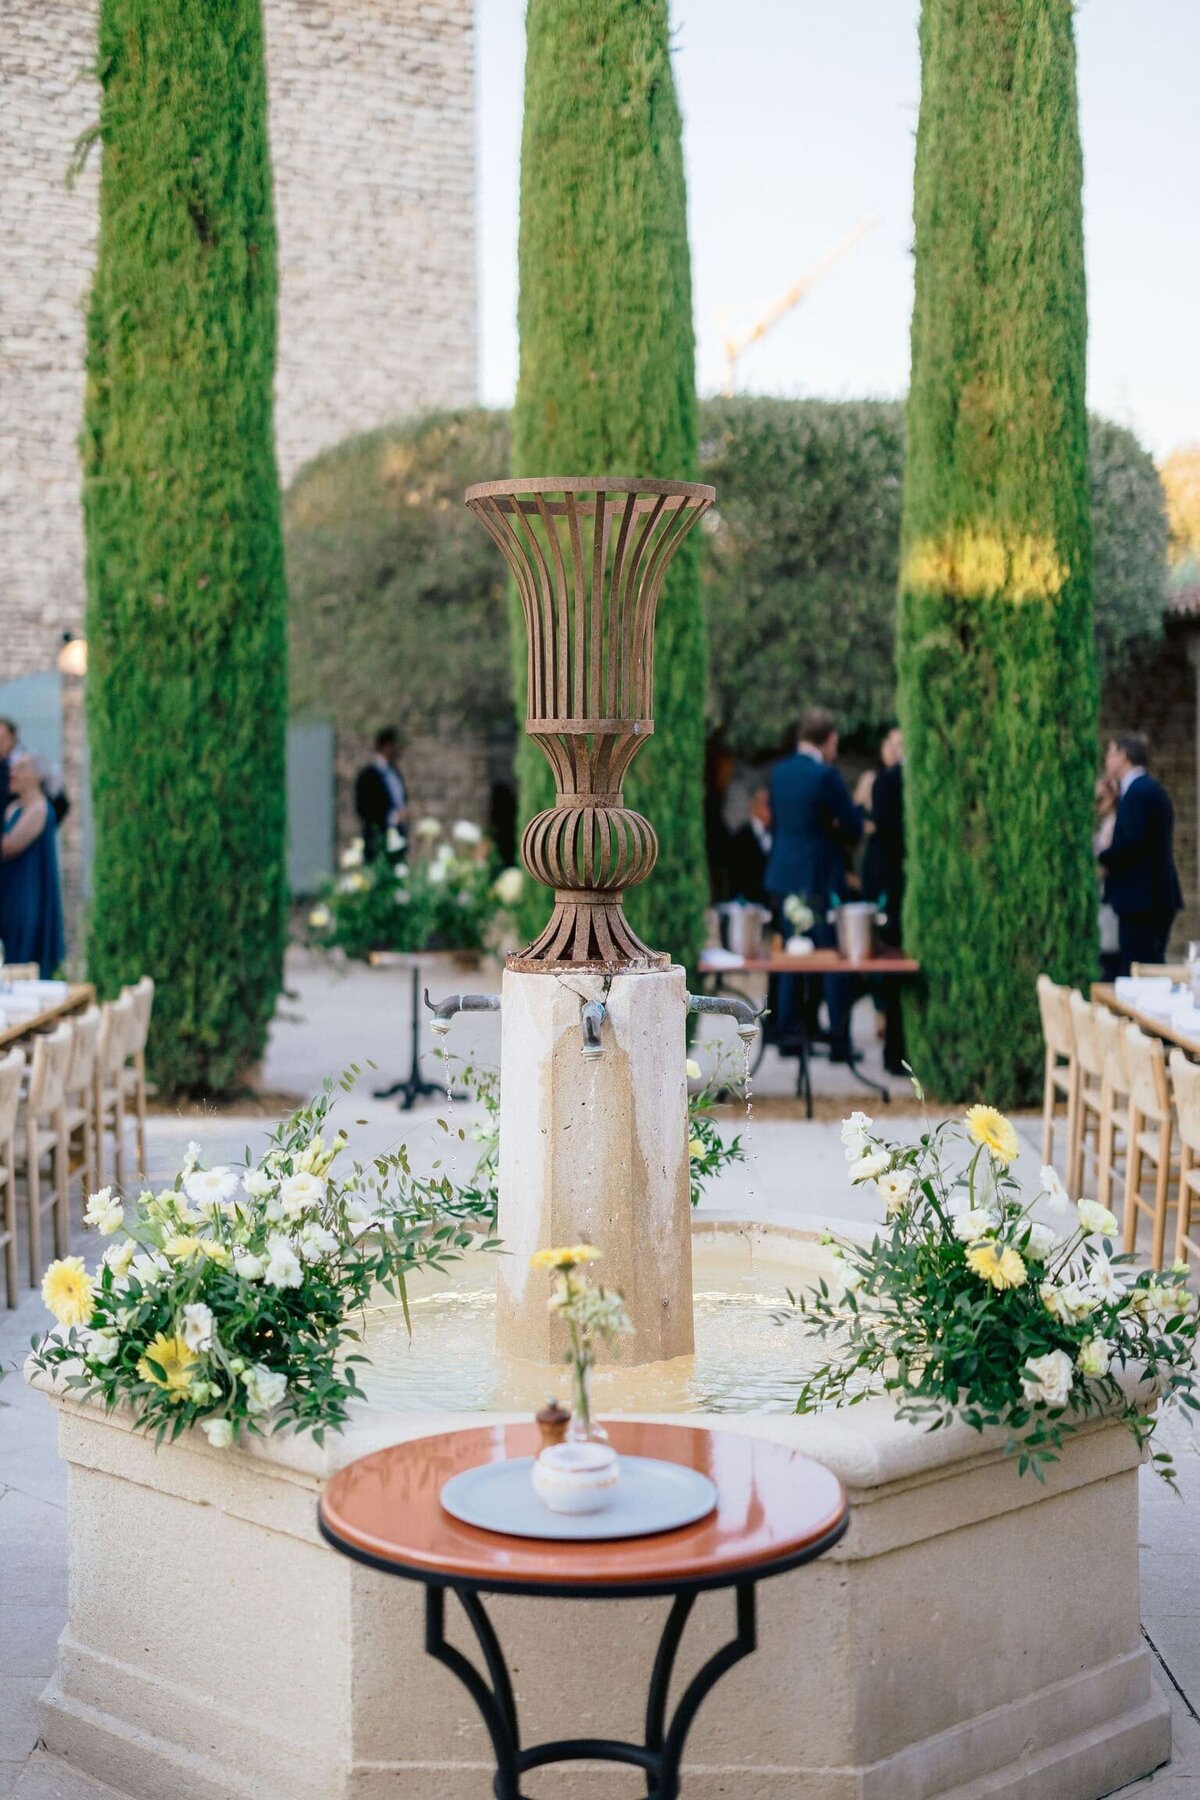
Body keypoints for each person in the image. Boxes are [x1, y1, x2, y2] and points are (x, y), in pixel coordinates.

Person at [765, 707, 863, 1061]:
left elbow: (781, 826)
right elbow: (852, 826)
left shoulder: (779, 773)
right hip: (818, 880)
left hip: (781, 875)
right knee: (833, 958)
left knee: (793, 952)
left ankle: (791, 1034)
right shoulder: (826, 776)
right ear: (830, 739)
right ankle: (839, 1041)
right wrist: (837, 826)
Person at [1097, 733, 1183, 977]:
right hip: (1146, 899)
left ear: (1123, 756)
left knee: (1142, 972)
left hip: (1144, 902)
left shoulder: (1138, 792)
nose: (1107, 759)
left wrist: (1100, 856)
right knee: (1140, 969)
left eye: (1110, 752)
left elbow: (1131, 844)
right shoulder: (1139, 791)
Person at [0, 749, 66, 975]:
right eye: (13, 768)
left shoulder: (39, 809)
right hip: (8, 896)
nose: (13, 773)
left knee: (21, 960)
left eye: (21, 768)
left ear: (37, 776)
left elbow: (7, 847)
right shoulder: (13, 808)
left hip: (25, 898)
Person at [354, 727, 408, 861]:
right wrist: (392, 817)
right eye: (396, 745)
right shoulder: (368, 776)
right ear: (387, 746)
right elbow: (364, 808)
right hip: (377, 841)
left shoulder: (395, 773)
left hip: (397, 838)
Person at [1093, 773, 1120, 982]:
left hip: (1111, 896)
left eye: (1101, 799)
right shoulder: (1105, 825)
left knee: (1109, 953)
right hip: (1103, 895)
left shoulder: (1115, 824)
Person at [726, 784, 773, 904]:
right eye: (766, 804)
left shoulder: (776, 835)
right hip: (748, 903)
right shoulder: (741, 838)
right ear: (754, 806)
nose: (771, 809)